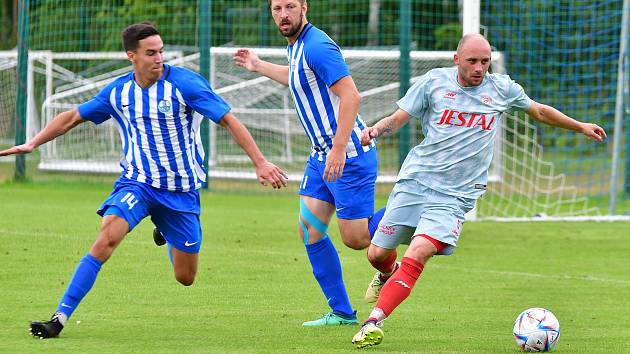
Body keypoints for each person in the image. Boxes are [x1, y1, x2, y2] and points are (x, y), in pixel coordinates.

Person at [0, 22, 288, 339]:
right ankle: (59, 317)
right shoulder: (118, 92)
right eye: (151, 53)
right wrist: (32, 144)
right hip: (138, 183)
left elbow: (228, 119)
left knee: (186, 277)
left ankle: (163, 226)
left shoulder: (186, 85)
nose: (159, 58)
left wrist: (260, 162)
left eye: (161, 51)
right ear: (132, 56)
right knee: (105, 239)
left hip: (181, 192)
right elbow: (72, 117)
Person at [351, 34, 607, 348]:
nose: (480, 68)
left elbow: (539, 111)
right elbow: (399, 118)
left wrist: (580, 126)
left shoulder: (502, 89)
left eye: (485, 61)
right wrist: (376, 129)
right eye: (472, 61)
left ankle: (373, 321)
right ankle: (387, 273)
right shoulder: (433, 83)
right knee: (377, 254)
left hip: (456, 196)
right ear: (457, 59)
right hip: (416, 182)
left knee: (419, 251)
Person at [233, 0, 385, 326]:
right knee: (310, 231)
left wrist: (340, 148)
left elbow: (352, 96)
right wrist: (258, 65)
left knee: (356, 239)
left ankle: (414, 210)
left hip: (347, 157)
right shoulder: (297, 45)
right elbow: (297, 78)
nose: (283, 15)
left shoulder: (317, 45)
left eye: (290, 6)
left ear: (304, 6)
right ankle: (343, 313)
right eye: (277, 8)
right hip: (320, 157)